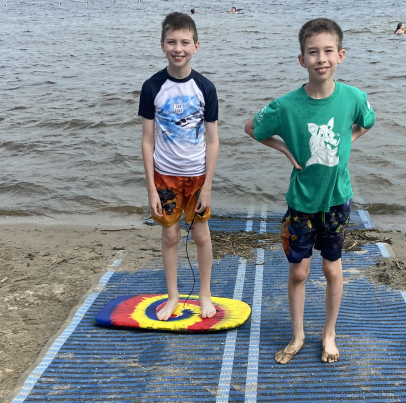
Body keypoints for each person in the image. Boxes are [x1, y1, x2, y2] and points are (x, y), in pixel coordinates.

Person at [244, 18, 375, 364]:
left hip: (336, 201)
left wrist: (349, 140)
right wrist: (285, 149)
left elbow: (367, 122)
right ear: (302, 59)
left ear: (341, 55)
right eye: (313, 52)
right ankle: (298, 332)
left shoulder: (354, 97)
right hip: (301, 202)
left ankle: (328, 333)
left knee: (333, 269)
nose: (321, 58)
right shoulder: (286, 105)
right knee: (299, 272)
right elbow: (250, 128)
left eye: (328, 51)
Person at [139, 12, 219, 321]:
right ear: (162, 45)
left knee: (201, 236)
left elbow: (213, 141)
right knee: (170, 237)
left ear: (196, 46)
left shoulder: (205, 88)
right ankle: (173, 296)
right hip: (165, 176)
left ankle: (204, 295)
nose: (178, 48)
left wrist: (208, 187)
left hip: (197, 176)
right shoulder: (152, 87)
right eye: (172, 42)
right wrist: (151, 189)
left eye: (185, 42)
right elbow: (147, 140)